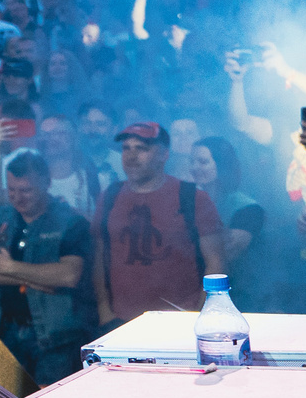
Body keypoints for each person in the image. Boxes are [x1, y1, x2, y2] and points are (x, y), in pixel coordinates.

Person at [0, 151, 97, 386]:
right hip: (4, 331)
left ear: (46, 183)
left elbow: (68, 275)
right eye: (12, 190)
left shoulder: (71, 222)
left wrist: (9, 267)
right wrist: (29, 277)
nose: (18, 198)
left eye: (26, 190)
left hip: (55, 339)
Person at [94, 121, 226, 325]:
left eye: (142, 149)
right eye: (126, 148)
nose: (131, 156)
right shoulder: (110, 196)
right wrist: (104, 309)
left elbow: (215, 262)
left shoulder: (192, 197)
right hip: (121, 321)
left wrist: (201, 315)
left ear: (164, 155)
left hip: (180, 321)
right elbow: (99, 256)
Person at [190, 135, 271, 308]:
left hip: (241, 296)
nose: (195, 167)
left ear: (222, 165)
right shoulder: (189, 203)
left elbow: (227, 254)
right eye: (192, 161)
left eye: (203, 162)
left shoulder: (247, 208)